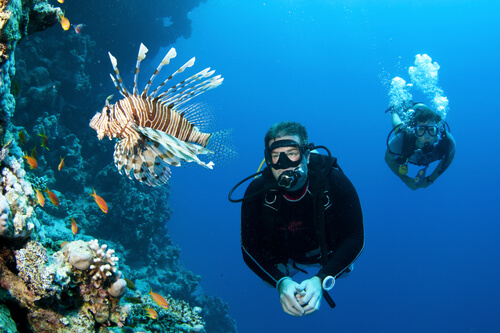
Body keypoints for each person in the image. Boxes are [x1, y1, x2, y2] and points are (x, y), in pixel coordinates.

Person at [239, 121, 364, 317]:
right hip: (286, 259)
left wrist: (321, 279)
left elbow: (355, 237)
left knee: (346, 269)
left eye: (291, 154)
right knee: (268, 281)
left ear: (306, 155)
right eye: (275, 156)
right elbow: (249, 247)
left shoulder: (334, 182)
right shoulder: (257, 192)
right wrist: (280, 281)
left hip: (326, 255)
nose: (283, 164)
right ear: (268, 159)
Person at [385, 103, 456, 190]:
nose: (426, 136)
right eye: (421, 129)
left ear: (437, 130)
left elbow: (450, 156)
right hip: (407, 138)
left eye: (431, 130)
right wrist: (405, 179)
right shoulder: (401, 139)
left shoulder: (446, 141)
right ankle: (394, 110)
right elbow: (388, 158)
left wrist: (431, 179)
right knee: (398, 126)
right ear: (414, 131)